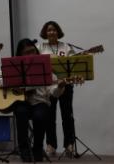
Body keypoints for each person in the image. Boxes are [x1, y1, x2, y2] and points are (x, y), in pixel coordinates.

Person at [0, 39, 66, 162]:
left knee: (40, 116)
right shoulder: (15, 65)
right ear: (20, 54)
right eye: (27, 52)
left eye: (32, 51)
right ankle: (24, 149)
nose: (31, 54)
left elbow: (53, 92)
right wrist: (15, 85)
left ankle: (37, 148)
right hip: (21, 102)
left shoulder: (44, 65)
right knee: (21, 112)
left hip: (40, 102)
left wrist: (59, 86)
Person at [37, 21, 77, 158]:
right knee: (49, 116)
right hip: (49, 86)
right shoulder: (40, 47)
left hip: (65, 84)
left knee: (67, 115)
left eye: (54, 30)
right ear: (45, 33)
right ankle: (51, 145)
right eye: (49, 30)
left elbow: (74, 64)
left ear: (58, 32)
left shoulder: (66, 47)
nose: (51, 32)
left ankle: (69, 144)